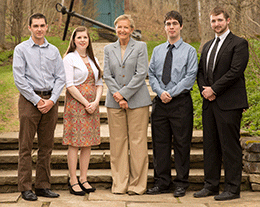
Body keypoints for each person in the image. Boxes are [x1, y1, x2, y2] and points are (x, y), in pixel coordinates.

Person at [194, 7, 249, 201]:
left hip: (229, 103)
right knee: (210, 146)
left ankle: (232, 189)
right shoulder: (208, 45)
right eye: (213, 21)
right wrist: (204, 90)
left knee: (229, 147)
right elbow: (200, 71)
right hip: (209, 103)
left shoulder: (239, 43)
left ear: (228, 20)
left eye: (219, 20)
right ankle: (211, 185)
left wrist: (214, 90)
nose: (216, 24)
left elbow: (235, 71)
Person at [12, 13, 65, 201]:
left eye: (42, 25)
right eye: (35, 26)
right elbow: (19, 78)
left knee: (46, 146)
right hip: (29, 101)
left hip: (50, 101)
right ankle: (25, 187)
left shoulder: (54, 51)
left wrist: (52, 100)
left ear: (47, 27)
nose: (39, 29)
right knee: (25, 146)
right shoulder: (21, 49)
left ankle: (43, 185)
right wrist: (36, 100)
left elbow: (61, 77)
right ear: (29, 28)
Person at [147, 10, 198, 197]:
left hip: (181, 103)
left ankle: (181, 183)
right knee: (160, 145)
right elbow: (151, 74)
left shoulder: (190, 51)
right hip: (160, 104)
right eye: (168, 24)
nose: (171, 27)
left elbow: (190, 76)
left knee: (182, 144)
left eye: (175, 23)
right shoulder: (157, 50)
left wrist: (171, 93)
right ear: (165, 27)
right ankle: (162, 182)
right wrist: (161, 93)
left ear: (181, 26)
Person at [103, 14, 151, 195]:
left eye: (126, 27)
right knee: (117, 144)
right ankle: (120, 184)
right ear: (115, 29)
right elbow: (107, 74)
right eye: (119, 27)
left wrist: (123, 95)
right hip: (114, 103)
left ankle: (137, 185)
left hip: (138, 101)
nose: (122, 30)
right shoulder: (109, 49)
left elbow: (141, 74)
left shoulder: (140, 47)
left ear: (131, 29)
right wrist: (118, 96)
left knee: (138, 143)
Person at [62, 26, 103, 196]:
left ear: (88, 40)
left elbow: (100, 83)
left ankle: (84, 178)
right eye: (79, 37)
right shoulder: (69, 59)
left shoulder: (93, 59)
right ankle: (73, 180)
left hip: (92, 106)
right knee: (75, 143)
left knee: (88, 144)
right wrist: (86, 102)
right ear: (73, 40)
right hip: (76, 105)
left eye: (85, 37)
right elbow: (69, 85)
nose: (82, 40)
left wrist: (95, 102)